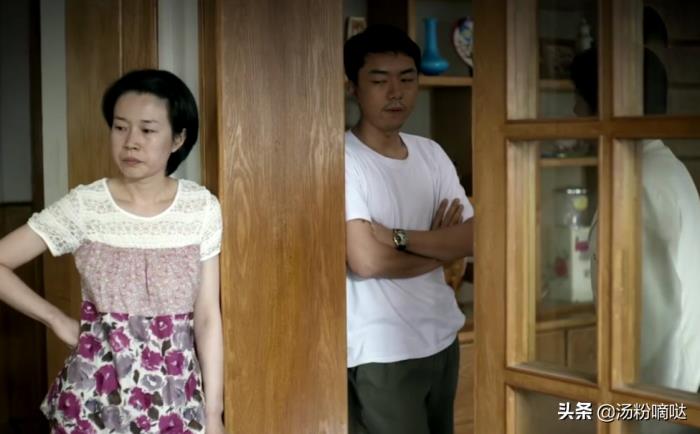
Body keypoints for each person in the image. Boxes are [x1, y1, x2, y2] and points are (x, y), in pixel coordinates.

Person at [0, 69, 226, 433]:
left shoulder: (201, 208)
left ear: (178, 139)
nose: (130, 142)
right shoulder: (86, 206)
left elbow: (207, 317)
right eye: (120, 127)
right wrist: (56, 319)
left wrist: (213, 414)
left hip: (175, 402)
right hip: (93, 401)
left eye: (147, 130)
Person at [344, 25, 474, 434]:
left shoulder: (431, 153)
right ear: (352, 87)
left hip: (442, 336)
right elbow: (366, 261)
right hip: (380, 351)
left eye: (406, 79)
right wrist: (440, 248)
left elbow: (473, 237)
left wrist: (398, 237)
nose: (395, 93)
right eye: (379, 81)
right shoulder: (343, 159)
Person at [572, 48, 700, 398]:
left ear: (607, 107)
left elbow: (657, 323)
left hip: (658, 395)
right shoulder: (661, 169)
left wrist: (639, 409)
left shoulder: (642, 184)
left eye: (580, 98)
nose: (574, 111)